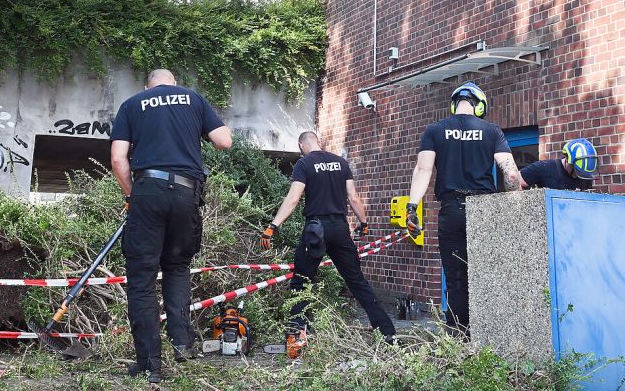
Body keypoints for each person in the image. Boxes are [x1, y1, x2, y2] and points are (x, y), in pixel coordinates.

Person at [110, 69, 232, 383]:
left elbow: (118, 160)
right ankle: (182, 343)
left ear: (147, 86)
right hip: (186, 193)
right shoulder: (193, 99)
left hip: (148, 190)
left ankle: (150, 363)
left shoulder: (132, 104)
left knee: (142, 276)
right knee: (177, 266)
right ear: (174, 83)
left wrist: (131, 195)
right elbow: (224, 141)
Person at [260, 131, 395, 359]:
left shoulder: (304, 163)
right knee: (357, 281)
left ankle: (297, 339)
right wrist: (364, 223)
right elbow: (352, 197)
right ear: (319, 142)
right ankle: (387, 333)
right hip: (340, 229)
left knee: (301, 282)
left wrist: (273, 225)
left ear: (301, 145)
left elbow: (293, 198)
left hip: (316, 229)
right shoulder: (341, 162)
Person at [404, 82, 521, 335]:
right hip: (483, 210)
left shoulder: (434, 130)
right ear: (479, 106)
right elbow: (510, 174)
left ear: (454, 104)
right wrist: (516, 210)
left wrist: (412, 208)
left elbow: (423, 170)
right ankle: (490, 333)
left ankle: (458, 335)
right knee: (486, 271)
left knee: (456, 277)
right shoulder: (492, 131)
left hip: (452, 210)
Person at [520, 138, 598, 190]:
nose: (581, 175)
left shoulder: (585, 176)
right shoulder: (543, 168)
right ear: (568, 160)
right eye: (578, 171)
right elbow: (514, 180)